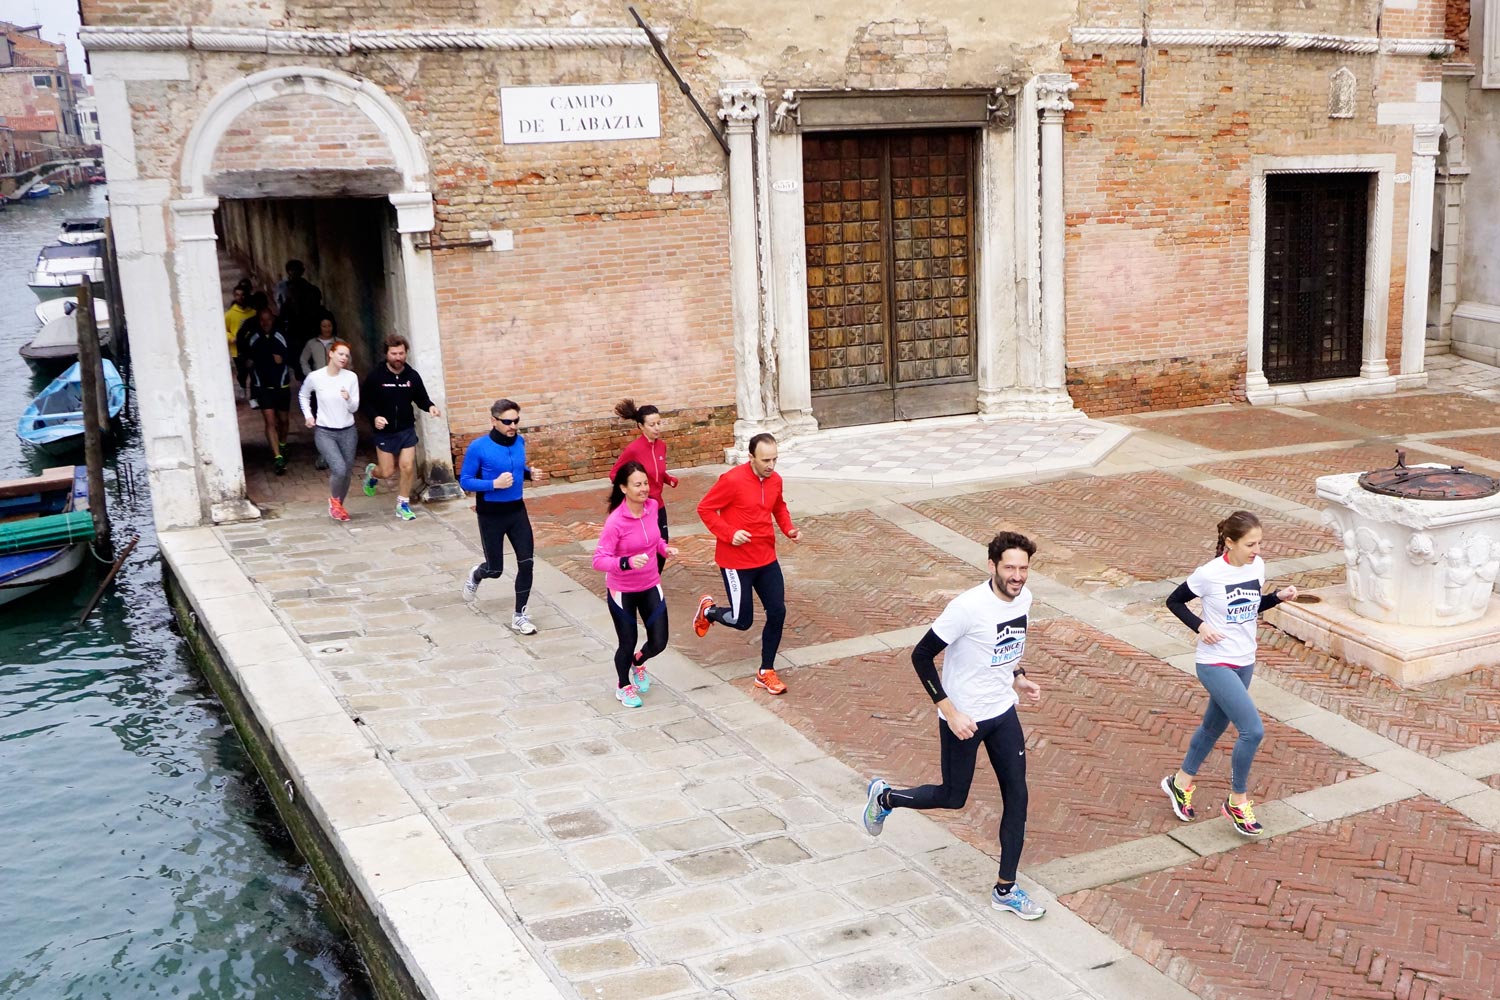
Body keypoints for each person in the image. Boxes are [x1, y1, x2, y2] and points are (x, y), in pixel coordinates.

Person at [861, 531, 1047, 921]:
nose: (1017, 576)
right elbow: (921, 656)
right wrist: (950, 710)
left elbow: (1005, 648)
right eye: (1010, 567)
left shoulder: (1024, 598)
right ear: (992, 565)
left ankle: (1006, 889)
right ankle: (885, 799)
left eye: (1023, 568)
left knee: (1018, 797)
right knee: (953, 796)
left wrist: (1019, 677)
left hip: (1002, 712)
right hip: (963, 719)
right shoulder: (966, 608)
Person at [1160, 511, 1297, 837]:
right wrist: (1200, 626)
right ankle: (1237, 800)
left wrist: (1276, 598)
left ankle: (1180, 783)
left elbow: (1250, 608)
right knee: (1252, 730)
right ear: (1230, 542)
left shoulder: (1257, 567)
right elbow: (1174, 601)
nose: (1257, 550)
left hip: (1244, 660)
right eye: (1250, 544)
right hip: (1215, 662)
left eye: (1259, 543)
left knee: (1213, 726)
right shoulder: (1209, 574)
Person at [692, 432, 801, 695]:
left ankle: (766, 671)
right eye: (765, 460)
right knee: (742, 621)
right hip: (735, 562)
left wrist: (788, 529)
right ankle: (708, 611)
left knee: (778, 612)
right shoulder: (731, 480)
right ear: (751, 457)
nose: (771, 465)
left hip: (766, 558)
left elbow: (779, 507)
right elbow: (705, 509)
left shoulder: (775, 480)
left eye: (775, 459)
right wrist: (730, 534)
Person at [592, 461, 679, 708]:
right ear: (623, 488)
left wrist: (664, 548)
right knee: (627, 641)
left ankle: (638, 662)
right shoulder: (615, 522)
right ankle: (623, 686)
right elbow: (599, 560)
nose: (644, 489)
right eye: (637, 485)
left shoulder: (652, 507)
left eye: (645, 484)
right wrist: (627, 562)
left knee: (659, 641)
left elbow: (655, 539)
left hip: (650, 584)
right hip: (623, 590)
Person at [459, 399, 548, 635]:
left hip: (517, 511)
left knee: (527, 563)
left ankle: (520, 615)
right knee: (495, 569)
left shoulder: (520, 441)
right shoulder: (478, 447)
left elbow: (518, 468)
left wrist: (530, 474)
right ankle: (477, 574)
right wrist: (493, 484)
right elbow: (465, 480)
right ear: (494, 421)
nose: (513, 426)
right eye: (507, 421)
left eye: (516, 421)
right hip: (491, 514)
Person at [360, 335, 441, 521]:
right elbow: (365, 402)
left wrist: (430, 407)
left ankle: (402, 504)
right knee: (387, 471)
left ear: (406, 353)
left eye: (401, 353)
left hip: (406, 429)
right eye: (394, 353)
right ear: (386, 354)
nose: (398, 357)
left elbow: (421, 398)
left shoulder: (412, 376)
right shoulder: (376, 376)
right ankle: (372, 472)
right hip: (384, 432)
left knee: (406, 466)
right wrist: (375, 418)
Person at [611, 399, 679, 573]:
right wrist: (632, 492)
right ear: (641, 426)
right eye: (651, 424)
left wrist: (667, 478)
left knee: (662, 543)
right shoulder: (634, 449)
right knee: (644, 544)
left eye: (659, 423)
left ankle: (654, 577)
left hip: (659, 504)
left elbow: (656, 470)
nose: (657, 428)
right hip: (642, 506)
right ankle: (643, 579)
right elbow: (615, 474)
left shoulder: (662, 446)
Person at [298, 339, 360, 521]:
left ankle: (338, 505)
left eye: (347, 356)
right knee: (339, 469)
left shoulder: (351, 377)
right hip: (325, 432)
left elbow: (355, 407)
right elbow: (303, 394)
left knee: (347, 471)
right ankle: (334, 501)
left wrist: (348, 399)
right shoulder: (316, 377)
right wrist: (308, 415)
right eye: (340, 354)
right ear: (330, 354)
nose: (344, 358)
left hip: (348, 430)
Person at [243, 306, 292, 475]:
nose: (265, 323)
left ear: (273, 320)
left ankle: (283, 444)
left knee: (283, 420)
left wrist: (283, 359)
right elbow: (246, 358)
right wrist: (248, 365)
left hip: (281, 385)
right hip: (263, 387)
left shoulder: (281, 336)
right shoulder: (253, 338)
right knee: (270, 422)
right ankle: (278, 458)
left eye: (268, 320)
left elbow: (291, 356)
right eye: (262, 320)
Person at [299, 313, 339, 471]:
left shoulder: (339, 343)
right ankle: (324, 453)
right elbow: (303, 360)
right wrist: (311, 376)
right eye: (324, 326)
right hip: (320, 388)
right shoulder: (311, 343)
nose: (327, 329)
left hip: (336, 386)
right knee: (321, 420)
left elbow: (349, 362)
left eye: (329, 326)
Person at [274, 258, 323, 358]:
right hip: (291, 326)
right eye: (292, 270)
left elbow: (315, 309)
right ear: (288, 271)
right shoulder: (282, 287)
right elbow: (280, 306)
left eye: (297, 270)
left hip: (306, 327)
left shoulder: (310, 289)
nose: (294, 273)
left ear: (302, 272)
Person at [224, 279, 255, 398]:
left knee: (253, 372)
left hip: (252, 349)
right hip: (237, 350)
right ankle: (242, 385)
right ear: (234, 296)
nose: (240, 298)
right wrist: (231, 338)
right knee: (243, 372)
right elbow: (223, 330)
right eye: (237, 295)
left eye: (242, 295)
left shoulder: (252, 313)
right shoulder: (229, 315)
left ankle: (253, 396)